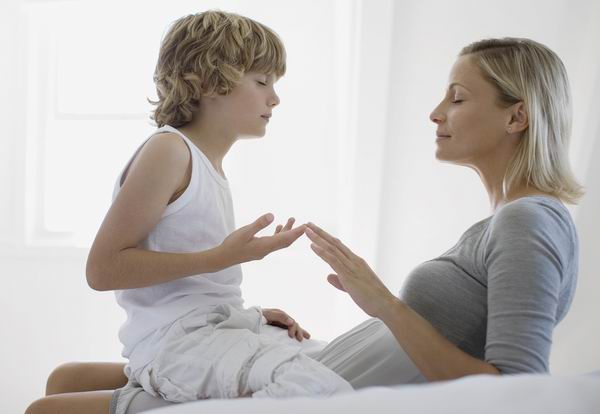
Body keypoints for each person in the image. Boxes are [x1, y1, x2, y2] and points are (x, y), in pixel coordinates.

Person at [27, 36, 582, 414]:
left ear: (517, 116)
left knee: (45, 407)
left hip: (317, 388)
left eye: (457, 98)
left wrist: (384, 304)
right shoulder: (508, 222)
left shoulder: (527, 222)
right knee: (67, 379)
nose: (436, 113)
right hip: (321, 362)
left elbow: (518, 394)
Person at [25, 9, 352, 414]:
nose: (275, 98)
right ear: (210, 81)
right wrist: (223, 257)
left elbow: (192, 293)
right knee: (313, 385)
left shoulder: (207, 164)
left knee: (323, 360)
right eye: (262, 81)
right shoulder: (170, 151)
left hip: (205, 331)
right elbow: (103, 269)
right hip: (176, 345)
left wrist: (247, 317)